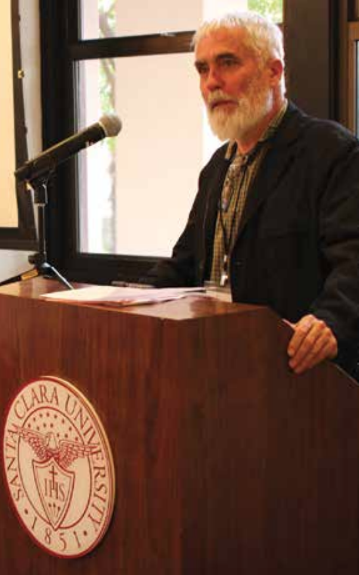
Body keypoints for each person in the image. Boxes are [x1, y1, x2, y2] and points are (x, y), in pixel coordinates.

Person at [143, 11, 359, 378]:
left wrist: (330, 321)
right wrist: (127, 303)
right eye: (202, 69)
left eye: (227, 63)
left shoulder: (332, 152)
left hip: (299, 376)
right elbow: (185, 263)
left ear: (273, 72)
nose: (213, 82)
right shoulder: (216, 168)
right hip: (220, 367)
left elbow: (354, 258)